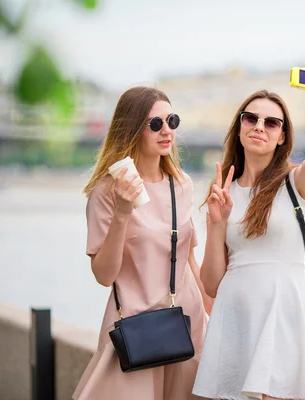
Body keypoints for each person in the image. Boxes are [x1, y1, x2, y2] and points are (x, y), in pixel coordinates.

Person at [192, 73, 305, 400]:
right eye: (251, 118)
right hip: (235, 315)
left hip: (281, 311)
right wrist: (217, 224)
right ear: (240, 126)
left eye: (272, 123)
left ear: (282, 136)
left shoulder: (296, 183)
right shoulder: (223, 191)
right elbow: (212, 284)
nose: (259, 126)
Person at [73, 86, 213, 400]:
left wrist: (214, 313)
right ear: (132, 129)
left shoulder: (182, 184)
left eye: (172, 121)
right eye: (155, 124)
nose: (167, 131)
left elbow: (189, 261)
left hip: (186, 324)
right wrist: (123, 212)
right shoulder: (106, 193)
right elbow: (103, 275)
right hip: (134, 328)